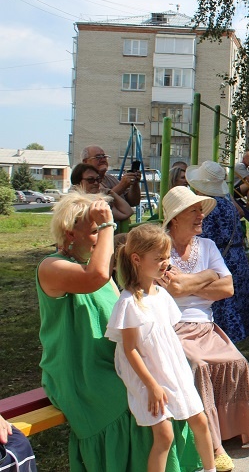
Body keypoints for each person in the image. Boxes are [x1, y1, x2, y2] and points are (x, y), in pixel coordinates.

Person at [36, 192, 201, 471]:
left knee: (169, 390)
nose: (101, 238)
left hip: (112, 362)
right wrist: (109, 225)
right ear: (69, 232)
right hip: (80, 371)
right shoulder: (52, 266)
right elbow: (97, 276)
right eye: (94, 231)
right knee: (134, 404)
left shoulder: (95, 267)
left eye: (101, 231)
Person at [158, 186, 249, 470]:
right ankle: (211, 443)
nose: (200, 215)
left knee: (237, 361)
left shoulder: (207, 246)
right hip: (171, 326)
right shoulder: (159, 247)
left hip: (205, 325)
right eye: (193, 210)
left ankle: (229, 431)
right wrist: (208, 278)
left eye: (199, 210)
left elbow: (227, 288)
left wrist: (190, 282)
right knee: (199, 367)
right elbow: (171, 291)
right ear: (176, 218)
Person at [107, 224, 216, 472]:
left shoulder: (161, 294)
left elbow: (167, 335)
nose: (165, 263)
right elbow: (130, 350)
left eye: (167, 257)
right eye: (158, 259)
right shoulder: (129, 303)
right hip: (148, 376)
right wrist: (152, 386)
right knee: (164, 435)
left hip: (171, 369)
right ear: (137, 259)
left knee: (200, 420)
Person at [188, 161, 249, 342]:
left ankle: (222, 345)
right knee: (236, 302)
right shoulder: (227, 202)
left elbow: (202, 238)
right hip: (236, 258)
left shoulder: (206, 207)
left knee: (223, 307)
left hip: (218, 261)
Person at [70, 163, 134, 223]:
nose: (96, 183)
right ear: (77, 183)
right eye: (90, 180)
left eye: (98, 179)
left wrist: (110, 192)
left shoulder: (99, 202)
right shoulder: (72, 203)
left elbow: (127, 212)